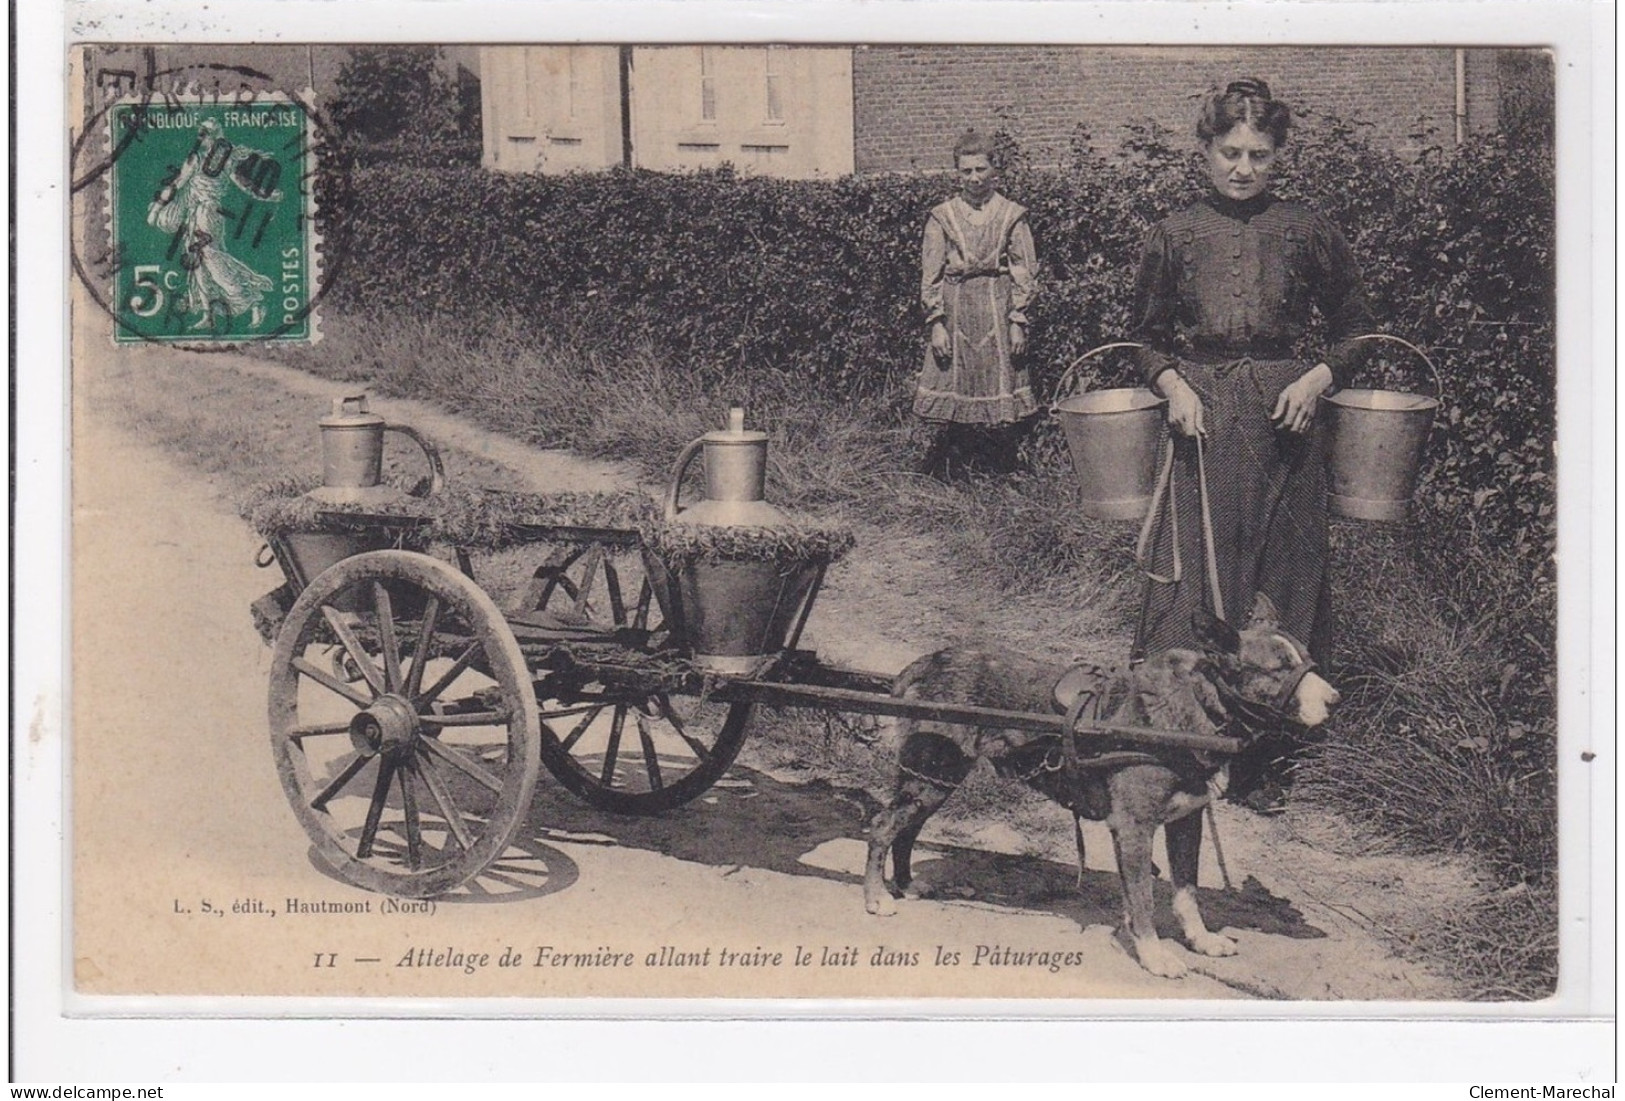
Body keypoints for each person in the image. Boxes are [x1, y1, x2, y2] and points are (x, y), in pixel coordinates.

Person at [1129, 79, 1376, 810]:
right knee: (1199, 585)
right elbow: (1140, 338)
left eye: (1258, 155)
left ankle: (1269, 762)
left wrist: (1319, 378)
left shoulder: (1307, 229)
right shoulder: (1172, 233)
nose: (1242, 168)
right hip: (1201, 419)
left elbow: (1357, 327)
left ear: (1278, 156)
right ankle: (1176, 746)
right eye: (1229, 152)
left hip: (1286, 421)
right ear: (1203, 151)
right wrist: (1171, 383)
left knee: (1286, 578)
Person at [914, 129, 1039, 479]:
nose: (974, 178)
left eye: (981, 170)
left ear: (994, 170)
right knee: (957, 392)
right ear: (957, 173)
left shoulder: (1012, 214)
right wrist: (936, 323)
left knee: (1000, 391)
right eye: (966, 171)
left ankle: (1002, 471)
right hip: (956, 311)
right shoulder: (942, 216)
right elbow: (931, 274)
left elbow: (1023, 270)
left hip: (997, 308)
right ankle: (956, 473)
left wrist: (1018, 319)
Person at [146, 118, 282, 332]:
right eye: (200, 134)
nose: (201, 138)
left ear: (215, 137)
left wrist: (265, 195)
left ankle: (252, 299)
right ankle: (208, 315)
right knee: (196, 264)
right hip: (194, 214)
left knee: (212, 259)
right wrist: (157, 207)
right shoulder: (196, 159)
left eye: (205, 134)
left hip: (209, 215)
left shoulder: (225, 161)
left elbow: (244, 185)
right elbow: (177, 184)